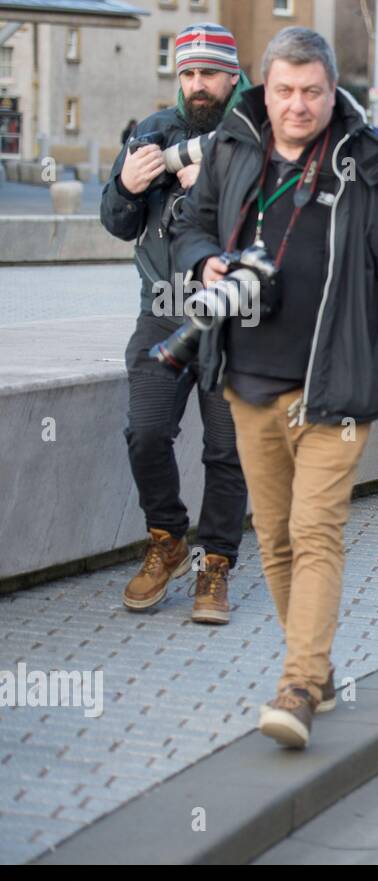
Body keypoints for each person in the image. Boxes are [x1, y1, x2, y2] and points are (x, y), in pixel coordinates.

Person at [171, 27, 378, 748]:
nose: (297, 105)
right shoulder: (232, 148)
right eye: (284, 91)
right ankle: (314, 665)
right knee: (276, 536)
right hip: (248, 386)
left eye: (312, 92)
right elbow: (192, 225)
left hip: (338, 388)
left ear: (331, 90)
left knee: (316, 531)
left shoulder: (377, 170)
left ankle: (297, 686)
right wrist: (206, 264)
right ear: (266, 89)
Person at [100, 22, 252, 625]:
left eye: (209, 73)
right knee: (145, 431)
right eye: (187, 73)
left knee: (227, 452)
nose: (197, 84)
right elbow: (117, 222)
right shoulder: (152, 131)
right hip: (162, 313)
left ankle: (216, 563)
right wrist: (123, 186)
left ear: (231, 78)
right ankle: (167, 538)